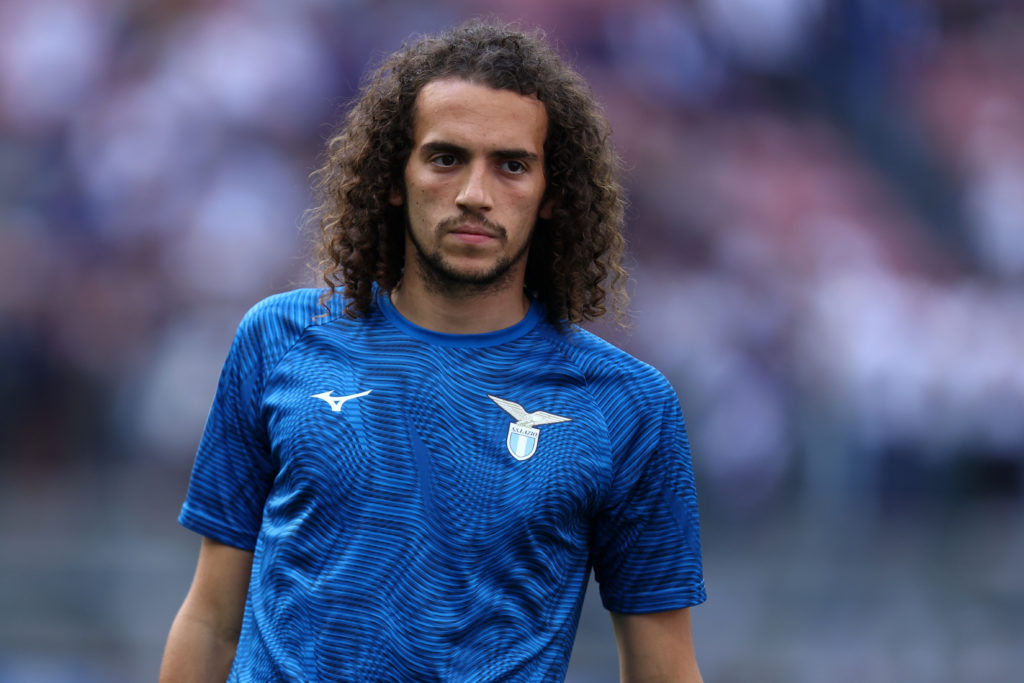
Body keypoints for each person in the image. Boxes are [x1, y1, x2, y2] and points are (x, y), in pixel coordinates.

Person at [160, 20, 706, 682]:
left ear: (552, 193)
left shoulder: (627, 405)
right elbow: (212, 618)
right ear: (396, 177)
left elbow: (663, 668)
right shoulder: (277, 339)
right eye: (447, 158)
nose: (475, 195)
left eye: (511, 165)